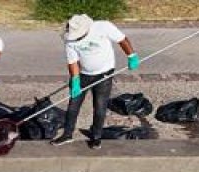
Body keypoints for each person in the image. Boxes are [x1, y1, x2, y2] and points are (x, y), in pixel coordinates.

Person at [53, 14, 138, 150]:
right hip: (83, 75)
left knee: (99, 107)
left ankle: (96, 137)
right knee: (73, 105)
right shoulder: (70, 39)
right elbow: (73, 62)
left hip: (104, 73)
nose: (77, 38)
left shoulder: (103, 26)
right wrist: (75, 80)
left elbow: (122, 40)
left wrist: (131, 56)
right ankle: (67, 134)